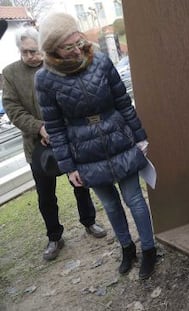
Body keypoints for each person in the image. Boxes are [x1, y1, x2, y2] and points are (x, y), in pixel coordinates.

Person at [35, 12, 157, 279]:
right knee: (111, 206)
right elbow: (54, 127)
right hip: (84, 151)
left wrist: (140, 136)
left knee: (134, 198)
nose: (78, 49)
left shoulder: (101, 61)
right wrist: (69, 167)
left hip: (118, 138)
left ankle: (149, 249)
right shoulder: (45, 79)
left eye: (78, 41)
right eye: (69, 46)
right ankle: (127, 249)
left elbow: (123, 101)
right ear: (53, 49)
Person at [2, 26, 107, 261]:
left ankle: (89, 222)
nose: (30, 56)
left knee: (80, 184)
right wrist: (39, 127)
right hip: (36, 148)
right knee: (45, 195)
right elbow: (12, 109)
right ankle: (54, 236)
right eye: (25, 52)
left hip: (68, 140)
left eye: (34, 51)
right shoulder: (10, 73)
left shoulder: (55, 66)